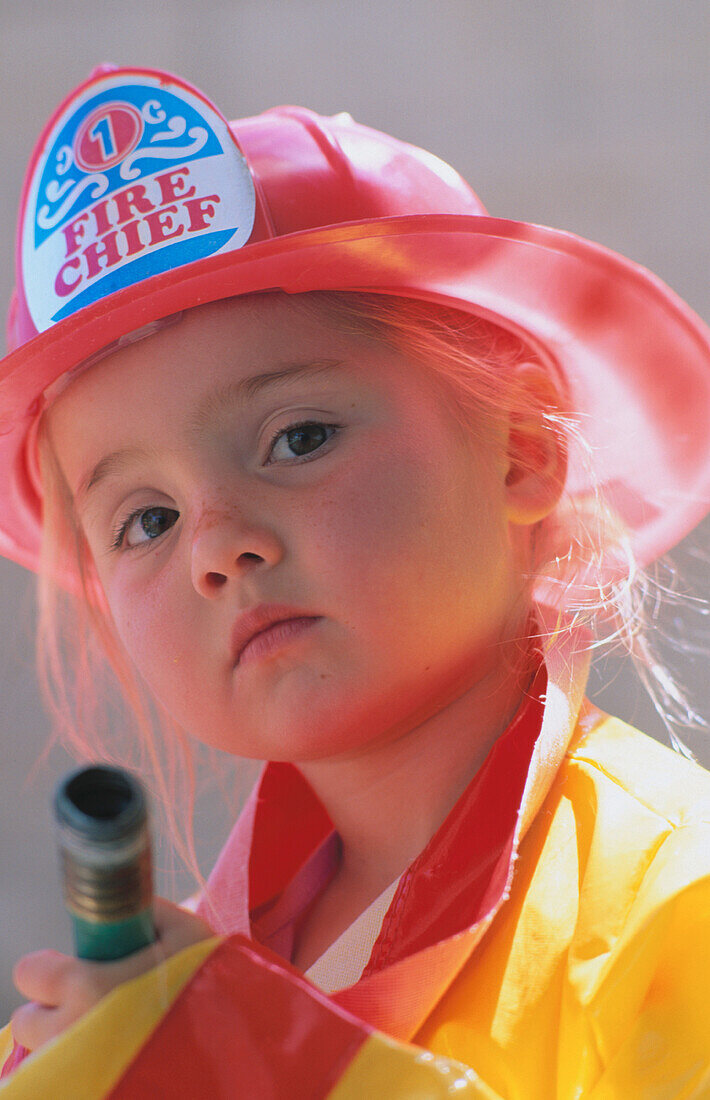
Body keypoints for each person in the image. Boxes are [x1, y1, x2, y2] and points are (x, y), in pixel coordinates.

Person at [0, 63, 708, 1097]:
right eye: (145, 518)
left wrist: (259, 1063)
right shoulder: (177, 984)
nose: (219, 544)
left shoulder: (674, 897)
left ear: (516, 449)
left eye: (298, 436)